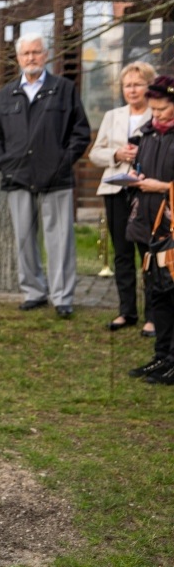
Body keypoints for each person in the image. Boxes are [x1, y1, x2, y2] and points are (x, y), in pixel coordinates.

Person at [0, 33, 91, 319]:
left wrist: (62, 162)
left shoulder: (64, 89)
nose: (31, 58)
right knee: (24, 239)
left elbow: (80, 133)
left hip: (55, 179)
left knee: (60, 241)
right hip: (17, 178)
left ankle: (62, 297)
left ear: (46, 55)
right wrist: (4, 163)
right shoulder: (6, 94)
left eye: (36, 52)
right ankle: (34, 291)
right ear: (18, 58)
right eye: (26, 53)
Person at [89, 61, 157, 334]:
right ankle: (126, 311)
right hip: (116, 190)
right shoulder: (113, 115)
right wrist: (116, 155)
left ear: (149, 87)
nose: (132, 89)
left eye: (138, 84)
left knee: (149, 254)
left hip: (146, 192)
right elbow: (95, 153)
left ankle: (153, 315)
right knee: (122, 253)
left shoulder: (159, 114)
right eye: (127, 85)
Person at [124, 76, 174, 384]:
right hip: (147, 224)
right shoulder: (146, 134)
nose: (156, 117)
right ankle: (162, 355)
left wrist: (166, 187)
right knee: (156, 292)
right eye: (153, 111)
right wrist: (134, 176)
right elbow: (142, 170)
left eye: (163, 111)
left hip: (171, 224)